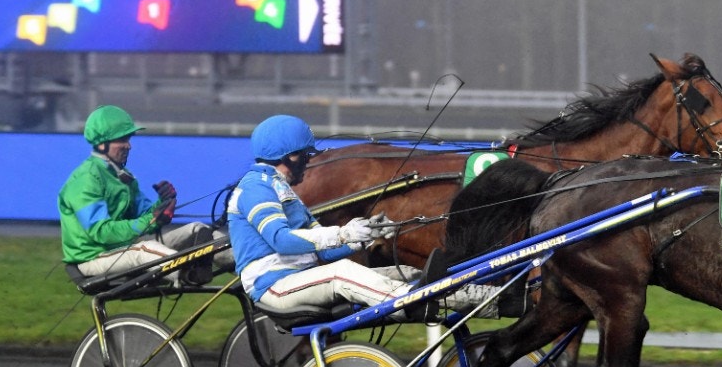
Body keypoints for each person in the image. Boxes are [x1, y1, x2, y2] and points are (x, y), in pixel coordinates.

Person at [228, 114, 501, 316]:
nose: (310, 161)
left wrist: (365, 237)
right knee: (343, 273)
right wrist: (343, 233)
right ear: (290, 156)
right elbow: (282, 241)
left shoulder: (284, 191)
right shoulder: (255, 188)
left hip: (299, 278)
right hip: (272, 286)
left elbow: (323, 253)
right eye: (306, 155)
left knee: (407, 272)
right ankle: (411, 301)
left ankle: (481, 299)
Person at [59, 105, 214, 284]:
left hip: (123, 250)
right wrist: (151, 220)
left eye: (129, 138)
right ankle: (188, 273)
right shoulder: (86, 179)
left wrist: (163, 203)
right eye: (122, 139)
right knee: (144, 250)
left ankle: (240, 269)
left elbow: (144, 215)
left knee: (197, 229)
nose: (129, 145)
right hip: (93, 259)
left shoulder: (123, 175)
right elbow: (101, 232)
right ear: (102, 144)